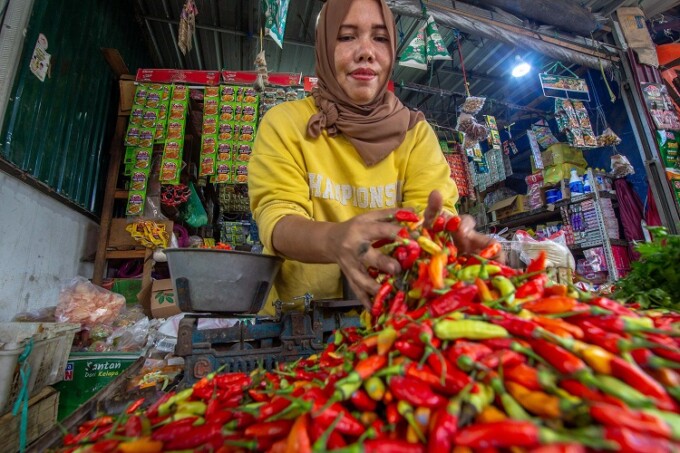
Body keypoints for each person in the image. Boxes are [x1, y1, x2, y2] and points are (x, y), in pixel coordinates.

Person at [248, 0, 497, 314]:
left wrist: (452, 234)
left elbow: (433, 215)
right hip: (296, 323)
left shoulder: (415, 134)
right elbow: (276, 221)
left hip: (395, 322)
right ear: (324, 48)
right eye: (346, 36)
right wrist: (335, 239)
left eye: (380, 38)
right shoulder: (285, 123)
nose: (366, 51)